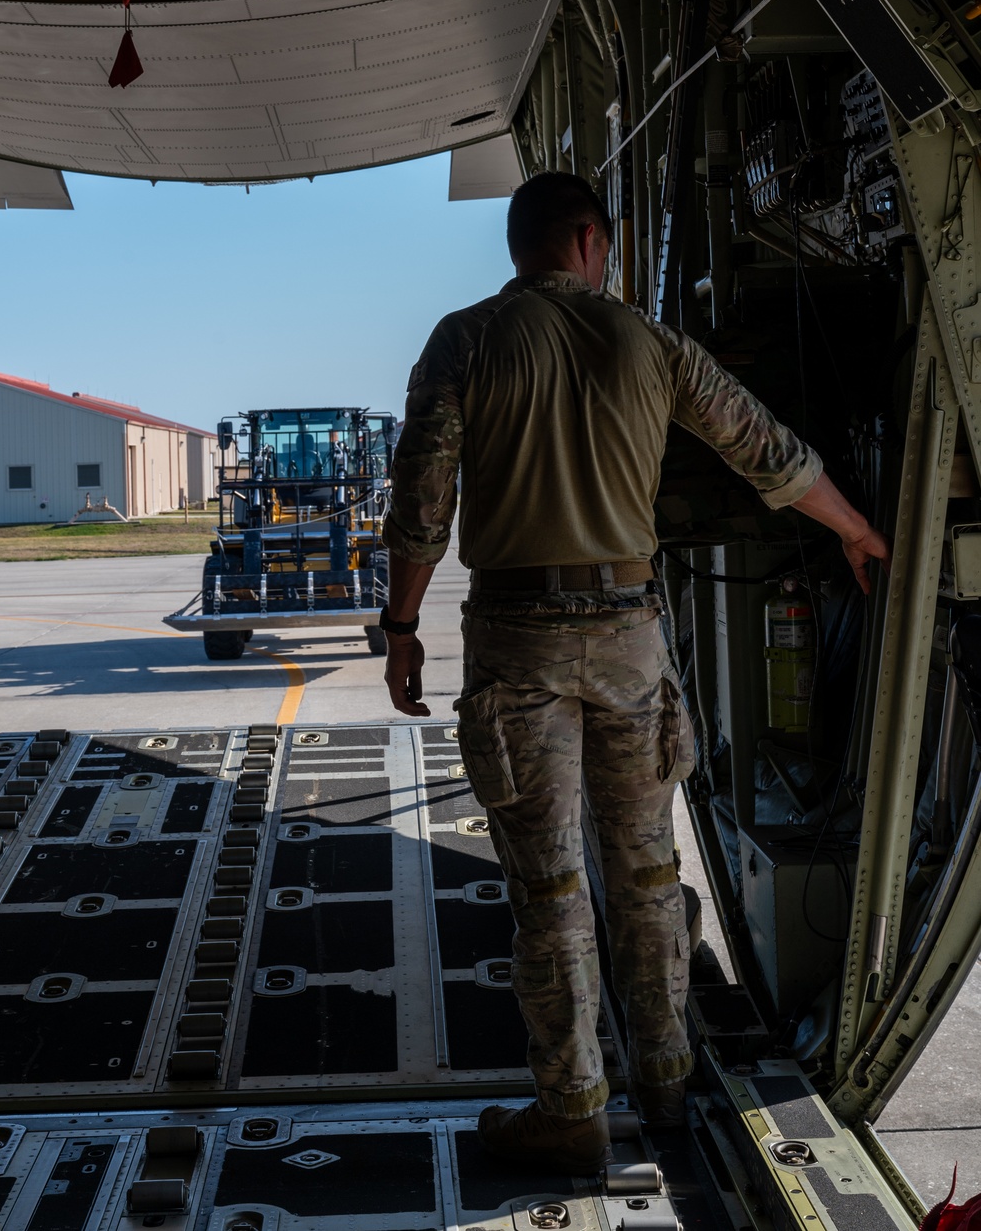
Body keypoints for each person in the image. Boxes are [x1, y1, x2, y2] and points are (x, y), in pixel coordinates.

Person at [379, 171, 891, 1175]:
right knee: (648, 870)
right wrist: (858, 531)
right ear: (586, 237)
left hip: (517, 634)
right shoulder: (646, 342)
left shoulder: (465, 339)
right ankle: (664, 1074)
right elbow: (767, 452)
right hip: (627, 632)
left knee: (550, 881)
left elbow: (421, 503)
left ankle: (571, 1101)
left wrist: (400, 626)